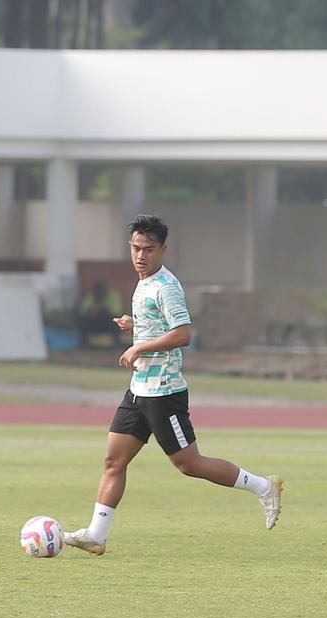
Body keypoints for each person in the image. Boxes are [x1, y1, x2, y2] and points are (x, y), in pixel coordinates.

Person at [62, 215, 282, 555]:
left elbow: (183, 334)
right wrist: (134, 327)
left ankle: (264, 487)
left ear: (163, 250)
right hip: (138, 390)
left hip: (164, 393)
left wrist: (137, 346)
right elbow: (158, 326)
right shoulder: (143, 282)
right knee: (113, 462)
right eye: (135, 248)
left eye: (148, 250)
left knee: (189, 464)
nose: (140, 256)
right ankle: (97, 534)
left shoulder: (166, 286)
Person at [77, 278, 124, 347]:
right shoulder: (90, 296)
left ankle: (117, 344)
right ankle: (84, 344)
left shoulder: (113, 295)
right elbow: (82, 312)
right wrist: (91, 309)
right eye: (97, 292)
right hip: (95, 323)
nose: (99, 293)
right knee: (82, 321)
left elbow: (117, 312)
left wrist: (104, 309)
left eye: (101, 291)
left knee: (117, 321)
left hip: (108, 323)